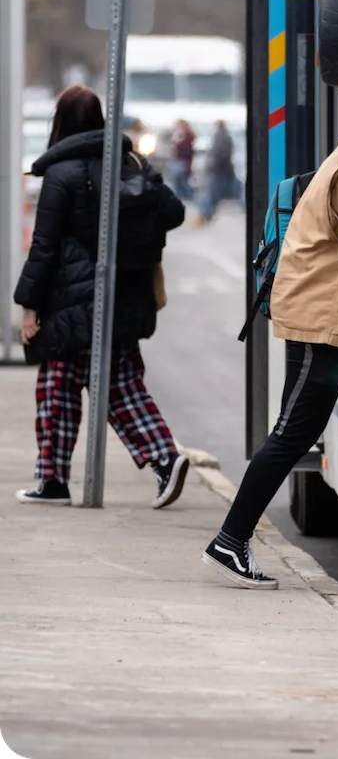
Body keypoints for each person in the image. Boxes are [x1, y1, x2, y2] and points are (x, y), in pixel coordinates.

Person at [203, 73, 338, 588]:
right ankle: (230, 540)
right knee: (292, 433)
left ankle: (230, 539)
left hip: (326, 313)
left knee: (293, 430)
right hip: (325, 319)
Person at [14, 86, 189, 508]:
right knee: (121, 384)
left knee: (57, 387)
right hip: (125, 295)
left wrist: (29, 306)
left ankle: (54, 480)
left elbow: (45, 246)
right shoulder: (129, 164)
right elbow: (174, 213)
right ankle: (163, 457)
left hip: (71, 303)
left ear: (60, 123)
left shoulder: (62, 174)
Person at [195, 120, 240, 224]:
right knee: (222, 193)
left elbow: (219, 154)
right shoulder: (226, 137)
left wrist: (211, 165)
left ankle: (206, 215)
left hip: (218, 170)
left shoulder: (220, 137)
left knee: (210, 192)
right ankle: (206, 214)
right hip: (224, 169)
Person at [169, 119, 196, 201]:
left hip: (183, 160)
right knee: (179, 180)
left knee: (181, 180)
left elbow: (185, 149)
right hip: (181, 160)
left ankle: (188, 196)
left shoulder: (187, 136)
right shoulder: (181, 135)